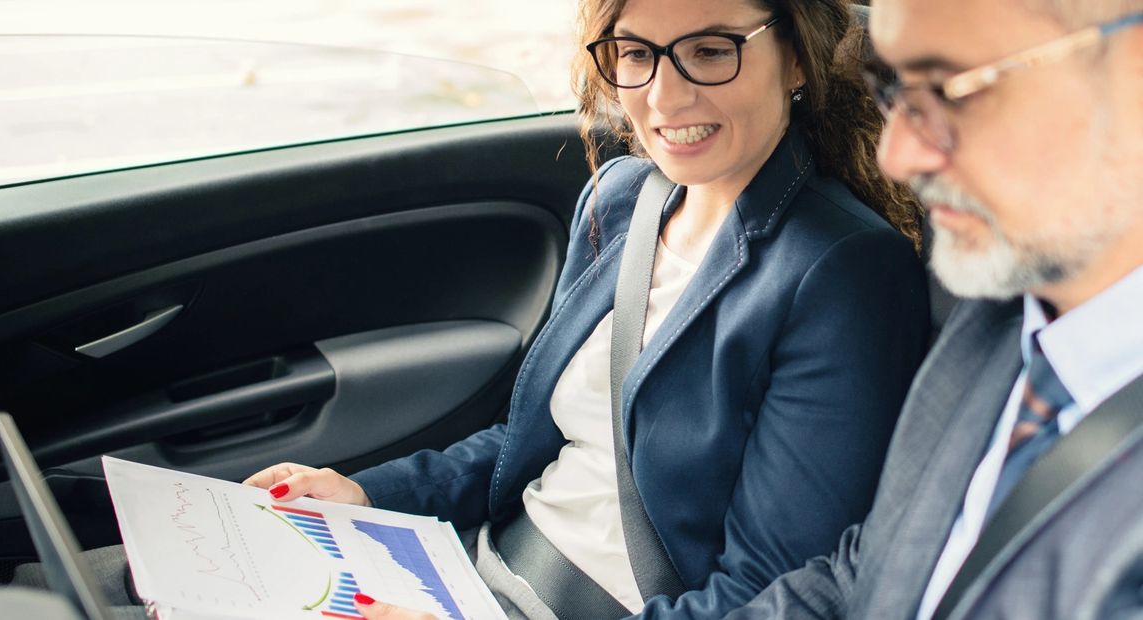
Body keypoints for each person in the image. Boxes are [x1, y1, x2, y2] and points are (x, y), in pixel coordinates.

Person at [244, 0, 930, 618]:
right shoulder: (621, 198)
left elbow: (769, 590)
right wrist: (369, 497)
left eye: (711, 51)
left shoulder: (842, 271)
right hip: (478, 570)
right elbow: (533, 442)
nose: (664, 95)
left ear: (797, 58)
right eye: (635, 53)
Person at [720, 0, 1143, 618]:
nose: (895, 156)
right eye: (893, 89)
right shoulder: (992, 322)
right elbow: (869, 576)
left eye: (952, 90)